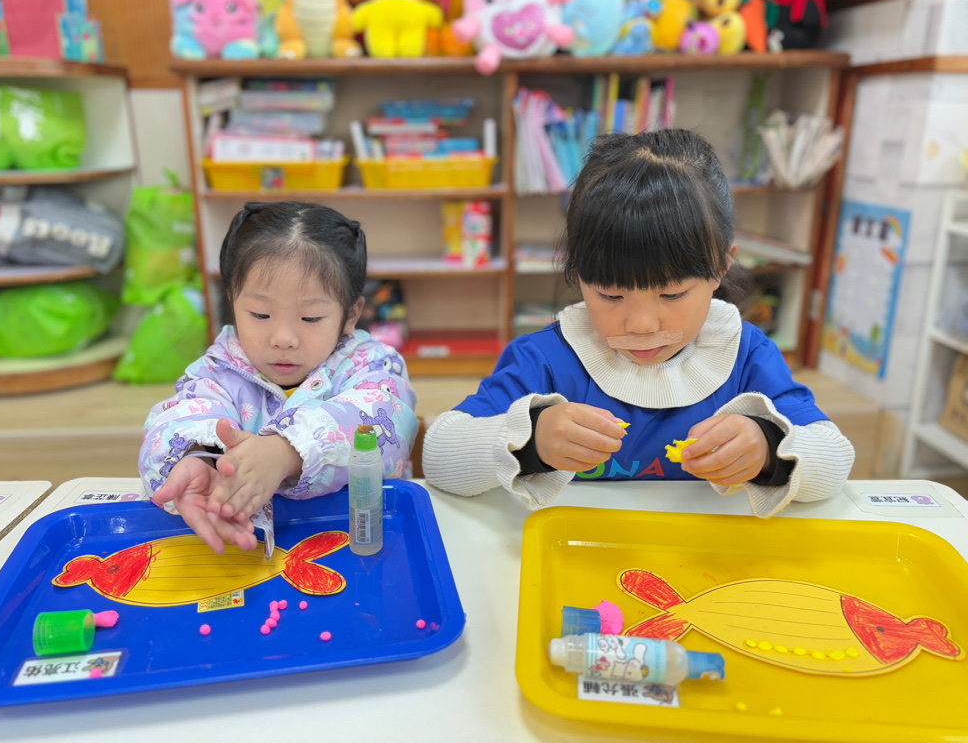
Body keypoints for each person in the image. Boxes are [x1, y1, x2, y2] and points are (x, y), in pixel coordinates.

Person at [423, 130, 853, 518]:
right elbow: (439, 457)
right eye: (610, 296)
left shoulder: (745, 356)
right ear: (579, 274)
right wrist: (530, 440)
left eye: (672, 294)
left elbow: (835, 460)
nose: (642, 324)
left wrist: (769, 449)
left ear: (722, 265)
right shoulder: (547, 360)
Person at [140, 201, 418, 552]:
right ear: (233, 301)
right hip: (248, 547)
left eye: (310, 318)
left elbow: (387, 420)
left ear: (350, 315)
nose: (283, 338)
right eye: (260, 314)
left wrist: (286, 452)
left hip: (356, 539)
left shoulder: (371, 364)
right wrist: (198, 458)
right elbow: (177, 419)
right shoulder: (219, 369)